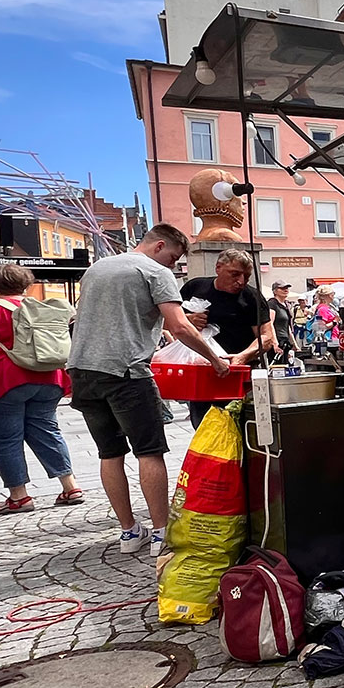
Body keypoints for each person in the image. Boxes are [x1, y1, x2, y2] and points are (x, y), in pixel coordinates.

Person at [67, 224, 230, 557]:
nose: (171, 266)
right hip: (126, 372)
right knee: (149, 451)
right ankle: (160, 534)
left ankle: (129, 531)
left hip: (82, 369)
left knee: (109, 453)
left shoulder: (98, 268)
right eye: (172, 258)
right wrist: (214, 358)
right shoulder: (154, 271)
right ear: (159, 246)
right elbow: (180, 325)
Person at [0, 264, 83, 514]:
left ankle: (19, 497)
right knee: (47, 430)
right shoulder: (43, 307)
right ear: (27, 283)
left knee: (4, 439)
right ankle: (70, 486)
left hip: (4, 381)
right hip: (49, 378)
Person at [180, 250, 272, 428]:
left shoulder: (251, 296)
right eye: (235, 274)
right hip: (204, 375)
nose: (241, 282)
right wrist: (188, 319)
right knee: (204, 431)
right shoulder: (195, 287)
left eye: (246, 276)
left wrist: (243, 357)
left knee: (243, 429)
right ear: (218, 268)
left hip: (240, 374)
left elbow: (266, 337)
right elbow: (168, 321)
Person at [267, 281, 295, 355]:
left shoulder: (285, 305)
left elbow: (287, 326)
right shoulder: (272, 304)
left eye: (287, 288)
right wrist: (275, 343)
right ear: (275, 291)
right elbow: (270, 324)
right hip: (277, 342)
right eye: (282, 288)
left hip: (285, 342)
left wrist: (294, 345)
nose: (285, 290)